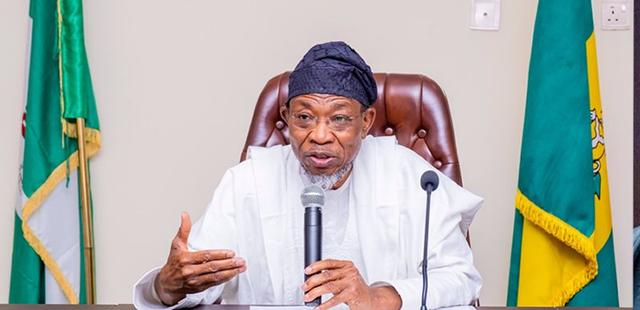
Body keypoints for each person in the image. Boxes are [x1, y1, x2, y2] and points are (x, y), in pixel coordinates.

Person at [133, 41, 482, 309]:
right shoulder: (248, 181)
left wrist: (382, 297)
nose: (319, 135)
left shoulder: (410, 176)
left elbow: (461, 278)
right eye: (304, 117)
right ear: (285, 118)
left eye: (340, 119)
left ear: (367, 122)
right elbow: (196, 278)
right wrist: (167, 286)